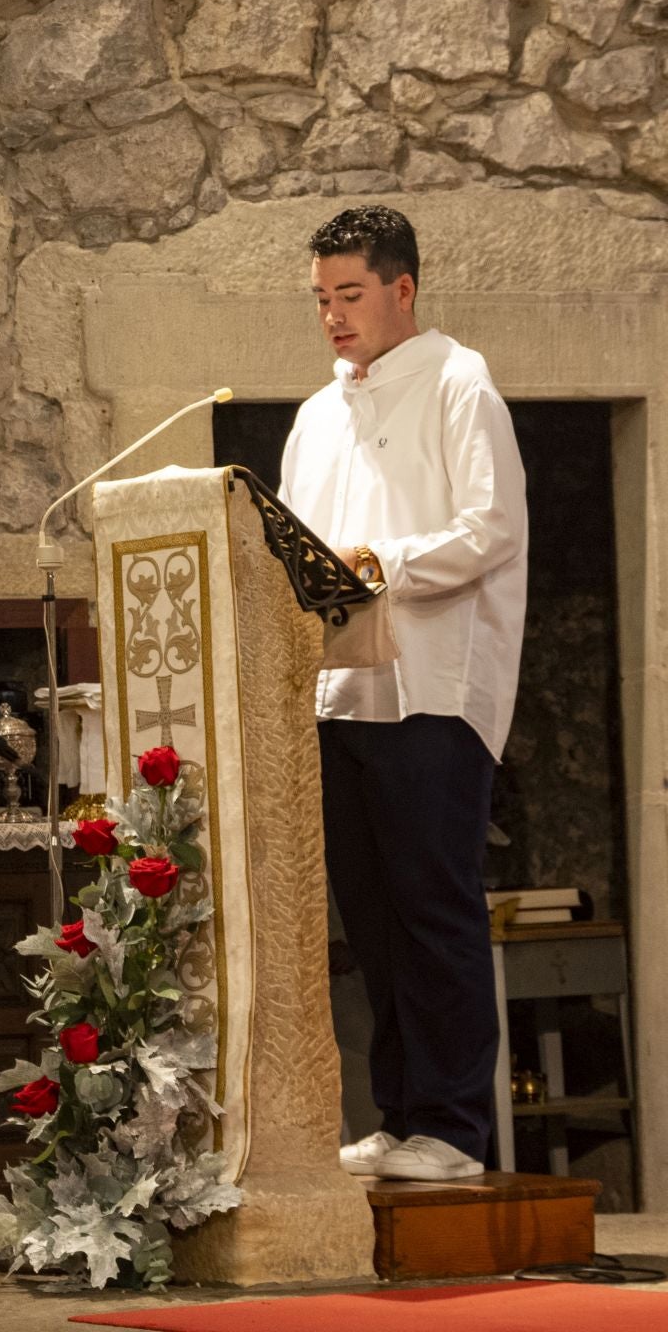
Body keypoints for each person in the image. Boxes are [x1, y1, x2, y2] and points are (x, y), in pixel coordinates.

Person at [279, 205, 527, 1182]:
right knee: (371, 914)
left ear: (402, 289)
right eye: (321, 299)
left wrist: (380, 560)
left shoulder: (461, 384)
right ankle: (400, 1115)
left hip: (431, 687)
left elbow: (490, 529)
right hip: (341, 690)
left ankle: (458, 1129)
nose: (334, 317)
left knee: (434, 905)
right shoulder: (315, 416)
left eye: (350, 294)